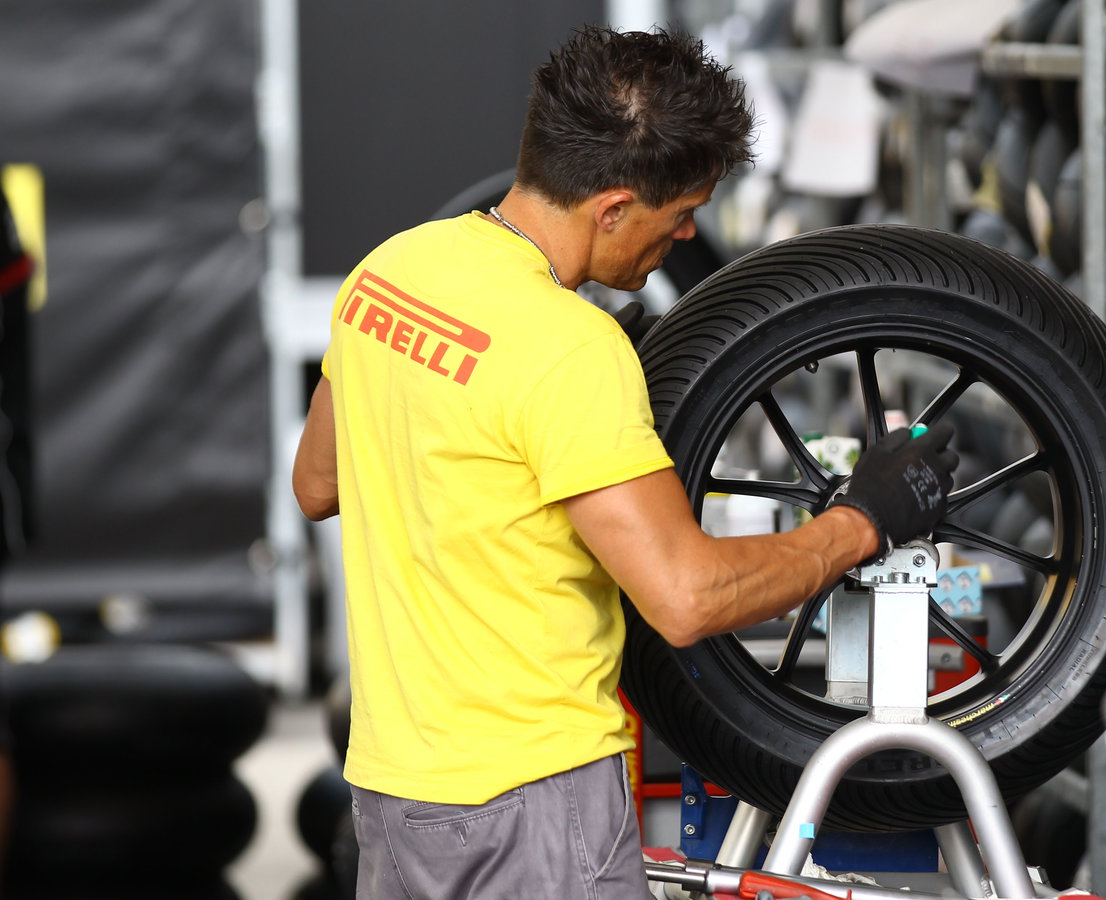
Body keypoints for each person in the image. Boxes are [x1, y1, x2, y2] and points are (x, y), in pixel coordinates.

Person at [291, 25, 958, 900]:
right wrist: (861, 521)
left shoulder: (391, 272)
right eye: (679, 212)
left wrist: (554, 444)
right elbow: (687, 598)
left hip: (395, 789)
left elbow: (318, 484)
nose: (687, 233)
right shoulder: (570, 349)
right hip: (530, 798)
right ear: (610, 209)